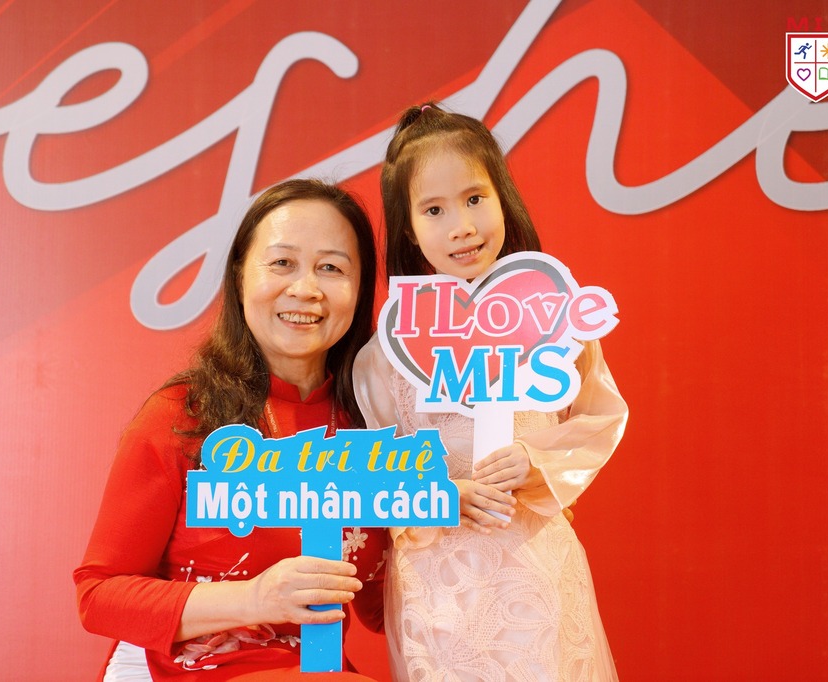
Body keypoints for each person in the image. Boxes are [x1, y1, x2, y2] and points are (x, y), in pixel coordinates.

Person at [353, 103, 628, 681]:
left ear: (503, 198)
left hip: (537, 572)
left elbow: (599, 418)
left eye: (475, 198)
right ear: (408, 228)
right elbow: (373, 472)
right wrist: (436, 494)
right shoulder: (386, 354)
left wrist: (536, 459)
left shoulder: (557, 323)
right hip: (439, 591)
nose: (462, 226)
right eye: (434, 209)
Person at [74, 179, 387, 681]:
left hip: (318, 671)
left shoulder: (374, 424)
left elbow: (381, 607)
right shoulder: (183, 416)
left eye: (332, 268)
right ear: (240, 275)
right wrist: (255, 598)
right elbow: (99, 596)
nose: (305, 288)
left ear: (360, 289)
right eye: (282, 263)